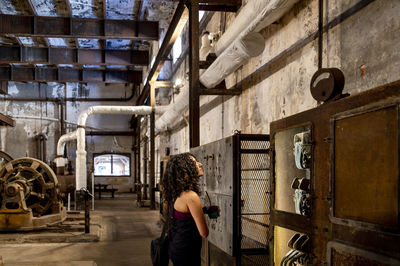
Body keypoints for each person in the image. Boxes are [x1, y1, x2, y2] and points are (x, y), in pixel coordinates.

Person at [161, 153, 209, 266]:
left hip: (176, 246)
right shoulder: (191, 196)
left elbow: (181, 214)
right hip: (187, 251)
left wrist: (204, 210)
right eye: (194, 163)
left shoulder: (176, 192)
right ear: (185, 169)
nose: (200, 164)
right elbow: (204, 232)